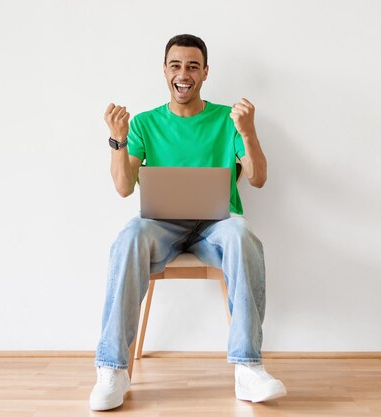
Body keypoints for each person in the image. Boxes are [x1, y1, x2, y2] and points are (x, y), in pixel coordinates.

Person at [90, 34, 287, 411]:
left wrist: (247, 131)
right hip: (161, 224)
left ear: (205, 72)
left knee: (242, 233)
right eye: (176, 65)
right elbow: (122, 188)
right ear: (165, 71)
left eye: (193, 66)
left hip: (216, 223)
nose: (184, 74)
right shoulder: (145, 123)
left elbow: (258, 178)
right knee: (129, 234)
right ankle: (112, 369)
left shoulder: (228, 119)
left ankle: (248, 367)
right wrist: (117, 141)